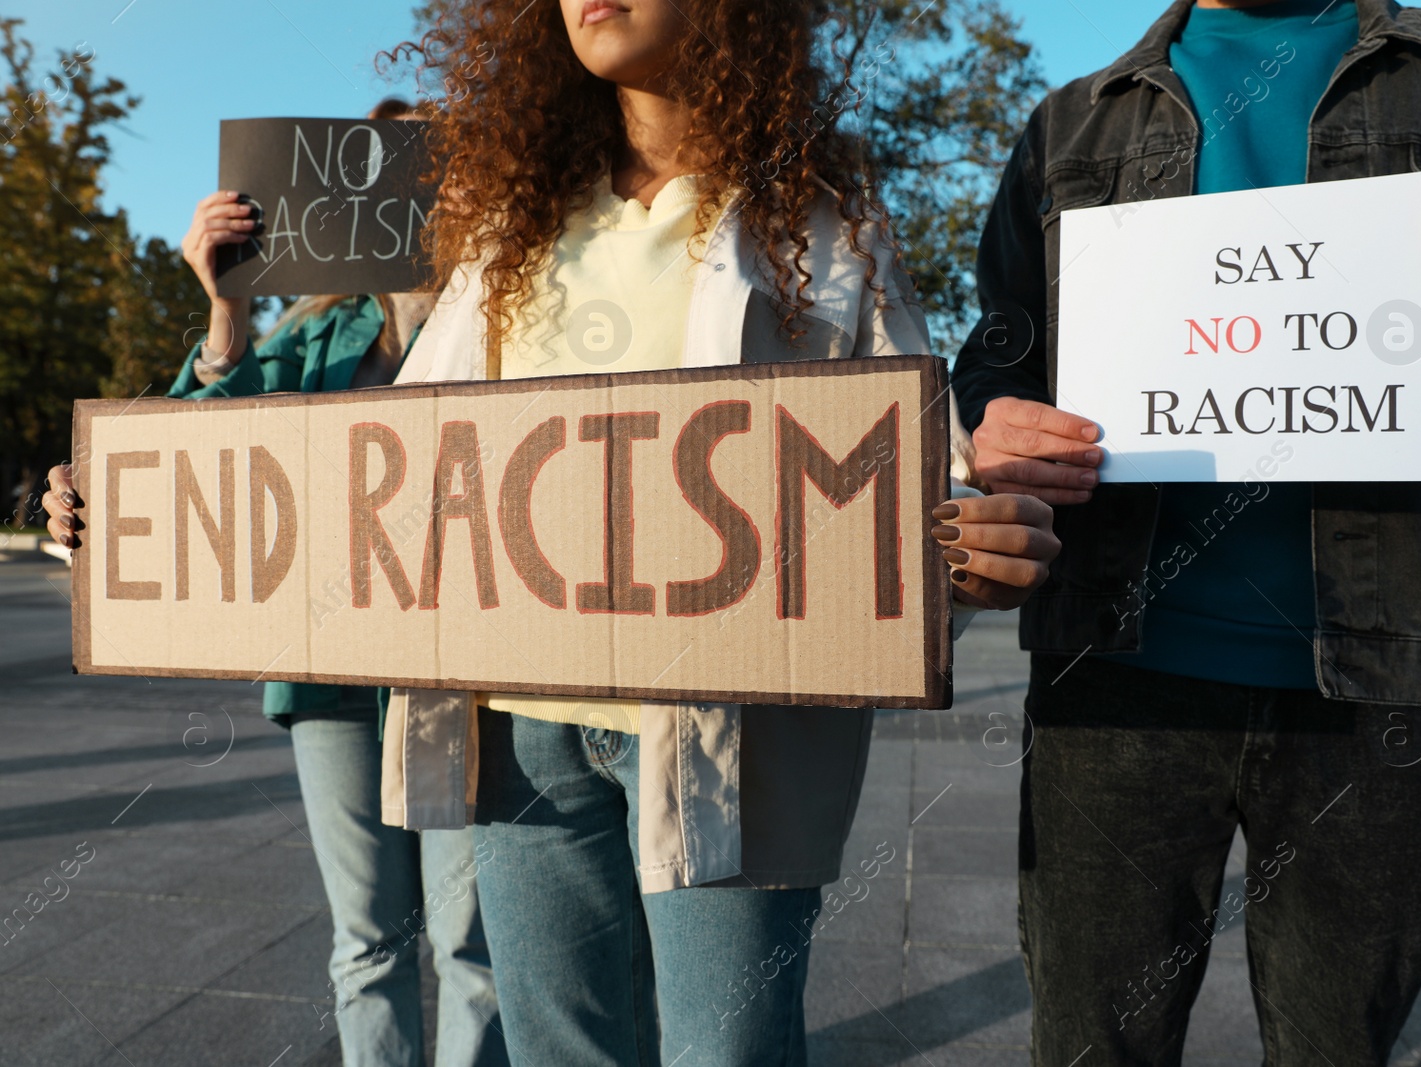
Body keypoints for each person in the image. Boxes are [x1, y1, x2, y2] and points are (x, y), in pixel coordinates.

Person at [371, 1, 1061, 1064]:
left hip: (740, 727)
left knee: (723, 1054)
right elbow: (392, 462)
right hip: (518, 725)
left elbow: (912, 466)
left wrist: (965, 553)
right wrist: (137, 520)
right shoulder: (511, 226)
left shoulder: (827, 220)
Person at [952, 0, 1421, 1063]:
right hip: (1113, 679)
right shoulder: (1068, 123)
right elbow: (1004, 351)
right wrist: (995, 421)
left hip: (1393, 689)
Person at [44, 100, 508, 1067]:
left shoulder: (515, 317)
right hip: (332, 676)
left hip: (473, 669)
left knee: (478, 946)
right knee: (370, 938)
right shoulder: (316, 335)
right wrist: (226, 307)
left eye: (433, 164)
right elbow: (197, 453)